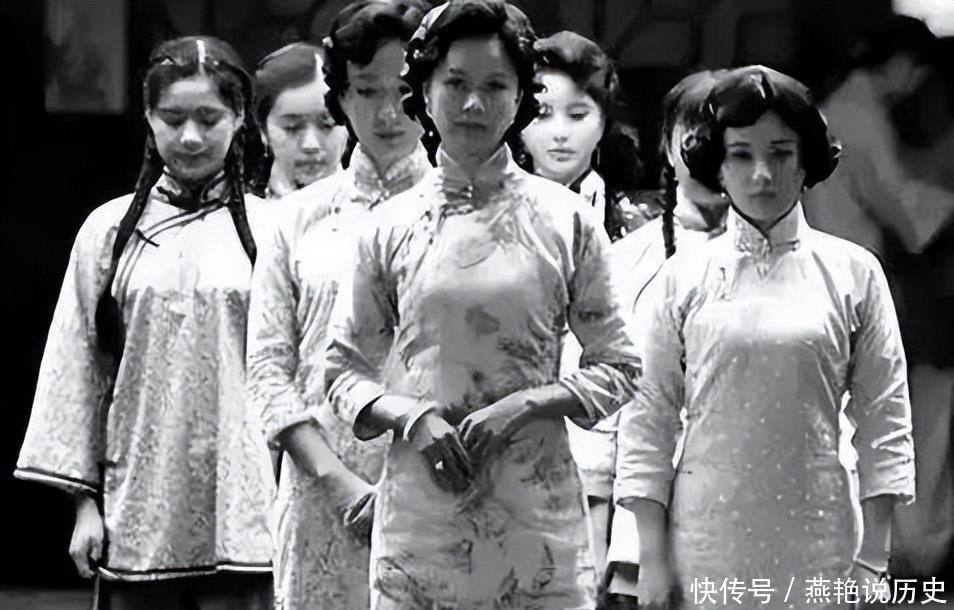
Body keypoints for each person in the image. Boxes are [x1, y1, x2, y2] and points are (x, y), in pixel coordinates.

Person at [323, 1, 642, 607]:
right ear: (424, 90)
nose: (473, 104)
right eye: (455, 84)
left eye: (495, 86)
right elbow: (341, 373)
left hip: (536, 513)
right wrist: (410, 417)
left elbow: (621, 367)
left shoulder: (566, 220)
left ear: (522, 96)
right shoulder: (387, 228)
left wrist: (528, 403)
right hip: (421, 520)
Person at [615, 65, 915, 610]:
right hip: (705, 539)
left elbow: (885, 419)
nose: (761, 174)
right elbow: (648, 419)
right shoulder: (680, 278)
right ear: (717, 164)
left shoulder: (853, 273)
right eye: (741, 155)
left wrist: (875, 557)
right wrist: (651, 559)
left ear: (806, 160)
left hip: (822, 536)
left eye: (780, 153)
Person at [15, 37, 273, 609]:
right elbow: (77, 366)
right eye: (173, 118)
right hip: (137, 505)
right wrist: (84, 504)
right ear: (149, 118)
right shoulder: (109, 233)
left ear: (238, 118)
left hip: (249, 505)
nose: (190, 136)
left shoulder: (275, 231)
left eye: (209, 118)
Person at [244, 2, 429, 608]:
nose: (388, 112)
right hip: (320, 492)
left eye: (405, 91)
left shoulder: (473, 210)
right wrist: (339, 484)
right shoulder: (297, 218)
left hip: (442, 485)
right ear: (341, 98)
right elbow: (268, 368)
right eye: (366, 91)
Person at [804, 15, 954, 580]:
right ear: (902, 66)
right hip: (869, 292)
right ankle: (911, 555)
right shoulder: (857, 116)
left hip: (835, 291)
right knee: (912, 424)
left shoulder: (836, 109)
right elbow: (915, 216)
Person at [590, 70, 728, 610]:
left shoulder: (805, 264)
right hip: (641, 545)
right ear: (668, 147)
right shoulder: (626, 263)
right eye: (695, 136)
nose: (710, 153)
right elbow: (600, 415)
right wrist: (594, 544)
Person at [518, 30, 655, 241]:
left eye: (577, 115)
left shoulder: (640, 227)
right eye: (542, 114)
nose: (560, 132)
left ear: (604, 121)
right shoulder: (485, 214)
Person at [249, 42, 349, 199]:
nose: (311, 145)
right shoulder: (244, 211)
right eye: (292, 127)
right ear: (263, 130)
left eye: (328, 124)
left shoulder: (381, 208)